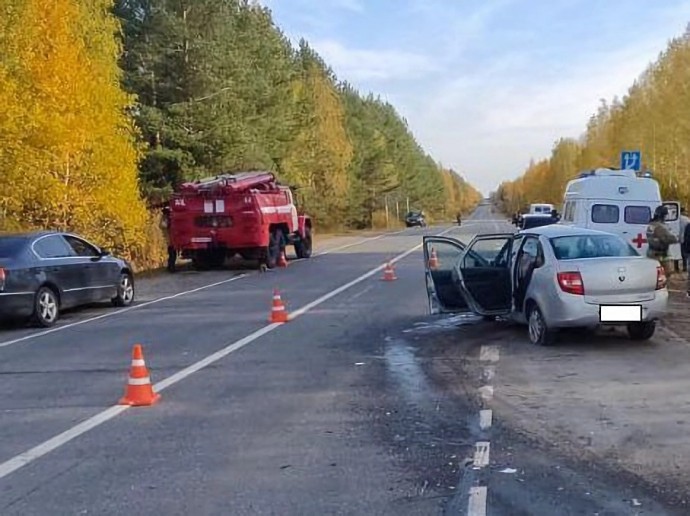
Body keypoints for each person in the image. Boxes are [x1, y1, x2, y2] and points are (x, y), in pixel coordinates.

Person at [646, 205, 678, 278]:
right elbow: (672, 238)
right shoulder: (660, 226)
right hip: (661, 254)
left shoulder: (652, 224)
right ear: (663, 215)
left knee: (654, 274)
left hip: (652, 253)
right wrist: (676, 237)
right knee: (667, 273)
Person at [160, 206, 177, 273]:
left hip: (171, 240)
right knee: (172, 254)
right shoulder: (164, 219)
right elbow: (163, 225)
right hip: (170, 241)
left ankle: (171, 267)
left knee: (172, 254)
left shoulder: (165, 218)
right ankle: (171, 268)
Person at [680, 207, 689, 273]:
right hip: (684, 239)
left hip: (676, 238)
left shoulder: (676, 218)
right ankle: (684, 267)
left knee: (675, 253)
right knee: (684, 254)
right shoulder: (686, 219)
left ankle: (676, 267)